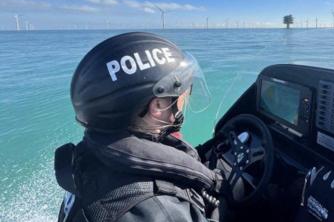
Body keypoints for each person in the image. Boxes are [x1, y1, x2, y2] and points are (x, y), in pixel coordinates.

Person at [54, 32, 223, 222]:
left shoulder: (88, 157)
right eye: (182, 89)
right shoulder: (160, 211)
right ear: (158, 105)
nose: (186, 95)